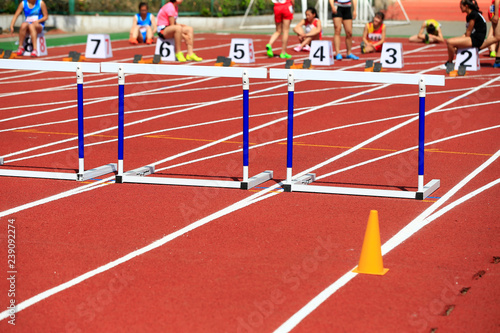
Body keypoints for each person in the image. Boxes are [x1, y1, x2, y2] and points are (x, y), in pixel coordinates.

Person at [444, 0, 486, 68]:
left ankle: (449, 63)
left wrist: (460, 42)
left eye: (461, 6)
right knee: (453, 46)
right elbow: (468, 32)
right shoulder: (469, 15)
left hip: (476, 39)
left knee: (450, 42)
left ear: (466, 6)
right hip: (473, 37)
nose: (460, 8)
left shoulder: (473, 14)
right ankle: (451, 62)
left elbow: (469, 32)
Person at [481, 0, 500, 67]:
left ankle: (498, 59)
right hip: (497, 12)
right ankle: (478, 47)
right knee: (498, 36)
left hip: (495, 11)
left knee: (497, 36)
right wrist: (496, 15)